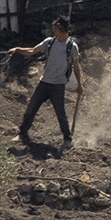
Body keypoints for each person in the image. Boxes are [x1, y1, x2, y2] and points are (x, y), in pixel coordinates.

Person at [17, 16, 85, 148]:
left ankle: (67, 139)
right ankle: (22, 133)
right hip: (44, 83)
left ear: (62, 29)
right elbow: (32, 50)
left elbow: (76, 66)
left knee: (61, 114)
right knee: (31, 108)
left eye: (55, 28)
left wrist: (79, 84)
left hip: (58, 86)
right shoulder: (49, 42)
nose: (53, 30)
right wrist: (18, 50)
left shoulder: (72, 46)